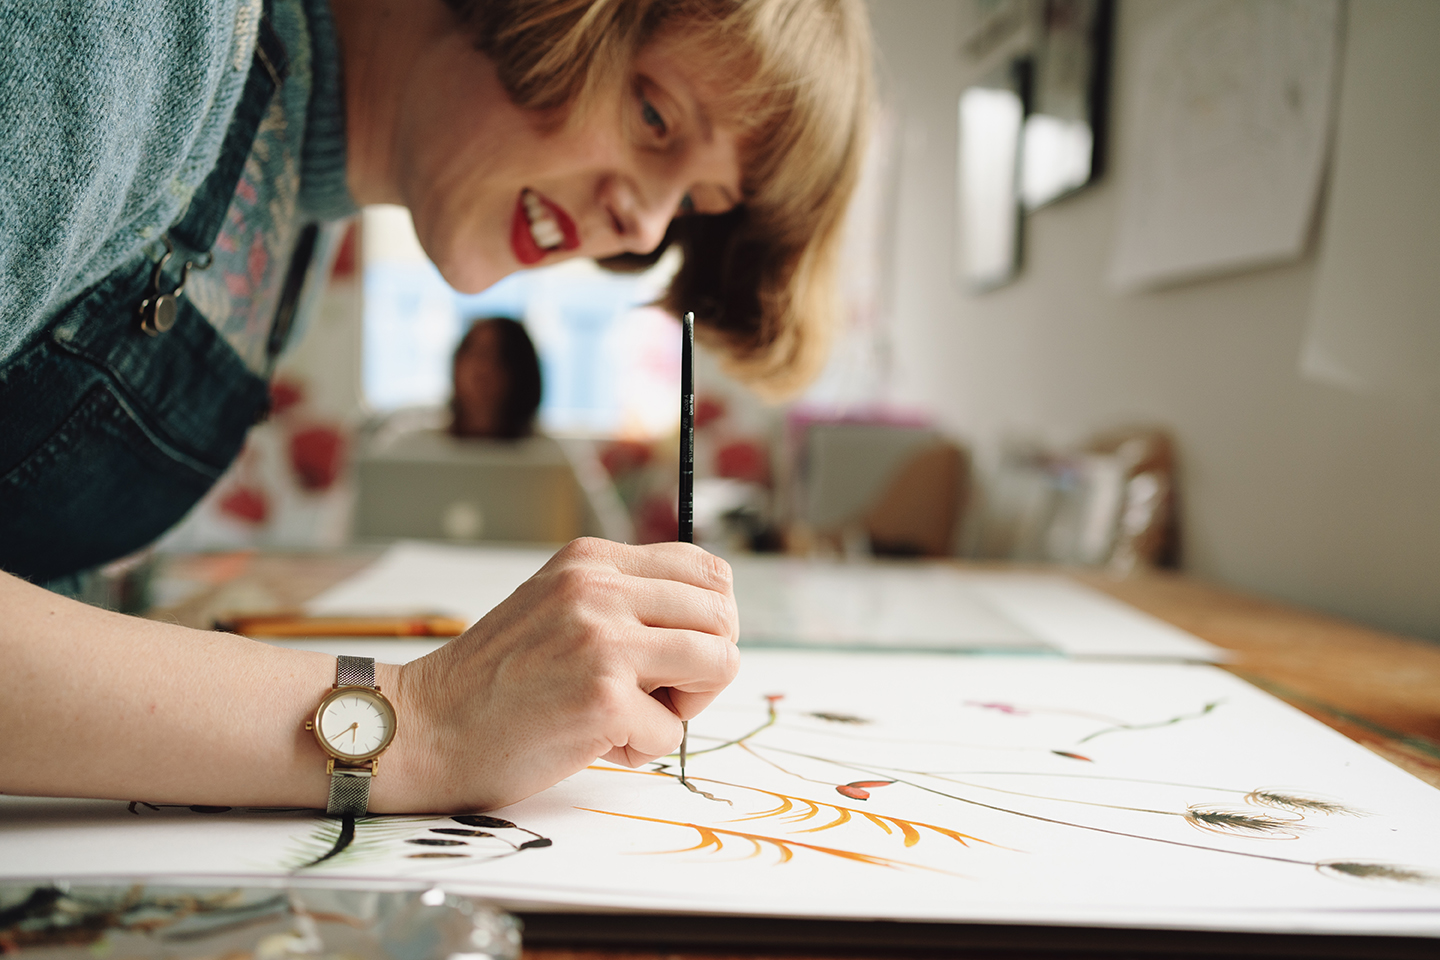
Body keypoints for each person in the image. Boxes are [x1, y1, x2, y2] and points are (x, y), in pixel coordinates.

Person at [0, 0, 872, 813]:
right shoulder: (142, 32)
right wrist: (416, 725)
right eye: (654, 115)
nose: (646, 228)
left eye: (692, 202)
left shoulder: (301, 221)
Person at [450, 316, 544, 440]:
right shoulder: (426, 449)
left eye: (500, 357)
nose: (484, 367)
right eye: (477, 353)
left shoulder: (545, 456)